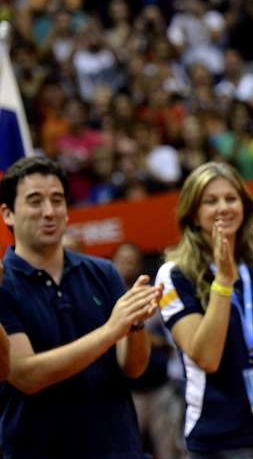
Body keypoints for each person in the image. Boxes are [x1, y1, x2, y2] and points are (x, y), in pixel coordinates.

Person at [0, 156, 162, 457]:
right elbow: (25, 375)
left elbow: (134, 368)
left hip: (116, 447)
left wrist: (134, 324)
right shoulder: (3, 283)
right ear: (7, 213)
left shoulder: (103, 272)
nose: (49, 212)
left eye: (57, 200)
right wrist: (112, 330)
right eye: (35, 201)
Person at [155, 161, 253, 458]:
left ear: (244, 206)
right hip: (218, 436)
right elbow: (207, 357)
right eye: (210, 201)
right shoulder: (175, 274)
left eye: (230, 198)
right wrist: (223, 283)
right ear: (193, 214)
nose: (223, 208)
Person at [113, 242, 184, 459]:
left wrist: (139, 334)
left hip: (160, 388)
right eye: (123, 261)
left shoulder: (155, 294)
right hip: (126, 394)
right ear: (113, 264)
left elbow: (172, 339)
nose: (128, 265)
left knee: (169, 451)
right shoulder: (106, 297)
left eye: (132, 261)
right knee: (127, 451)